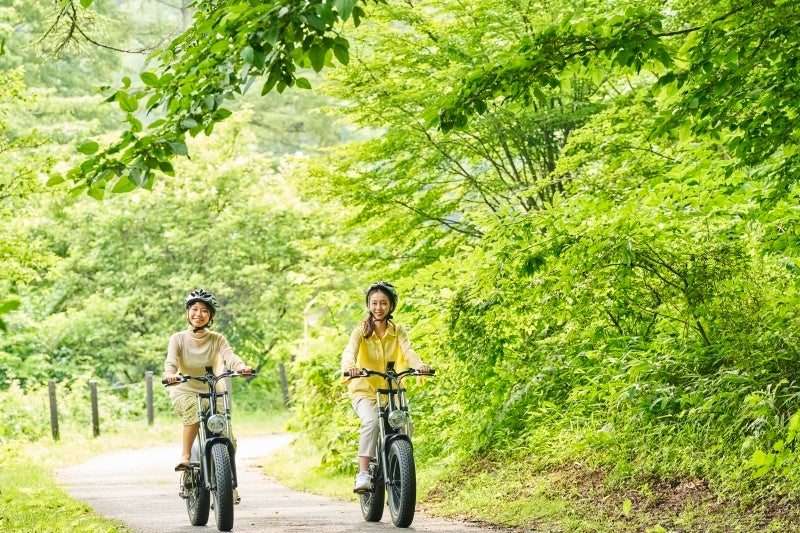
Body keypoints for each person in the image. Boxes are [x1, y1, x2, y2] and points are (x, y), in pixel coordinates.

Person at [341, 281, 431, 492]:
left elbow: (409, 352)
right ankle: (363, 472)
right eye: (374, 303)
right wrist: (350, 366)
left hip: (392, 390)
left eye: (383, 303)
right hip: (365, 391)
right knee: (371, 421)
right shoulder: (360, 332)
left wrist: (419, 366)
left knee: (404, 423)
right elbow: (349, 352)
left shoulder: (398, 331)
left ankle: (398, 462)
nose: (378, 307)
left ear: (391, 306)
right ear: (369, 305)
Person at [164, 289, 252, 475]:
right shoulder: (178, 338)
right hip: (185, 390)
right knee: (195, 412)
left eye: (204, 310)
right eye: (194, 309)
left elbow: (231, 357)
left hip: (214, 392)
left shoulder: (217, 339)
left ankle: (229, 485)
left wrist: (241, 368)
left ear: (211, 315)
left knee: (227, 436)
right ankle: (186, 456)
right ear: (188, 312)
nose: (199, 314)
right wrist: (171, 374)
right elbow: (171, 361)